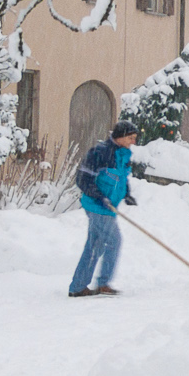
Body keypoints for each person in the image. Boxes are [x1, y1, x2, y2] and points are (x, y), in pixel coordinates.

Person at [70, 121, 138, 297]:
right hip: (97, 205)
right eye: (130, 138)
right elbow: (83, 179)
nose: (133, 142)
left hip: (108, 207)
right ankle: (103, 283)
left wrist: (126, 194)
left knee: (95, 245)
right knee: (114, 241)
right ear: (121, 136)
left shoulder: (123, 154)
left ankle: (79, 286)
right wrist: (100, 197)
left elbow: (121, 178)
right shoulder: (100, 153)